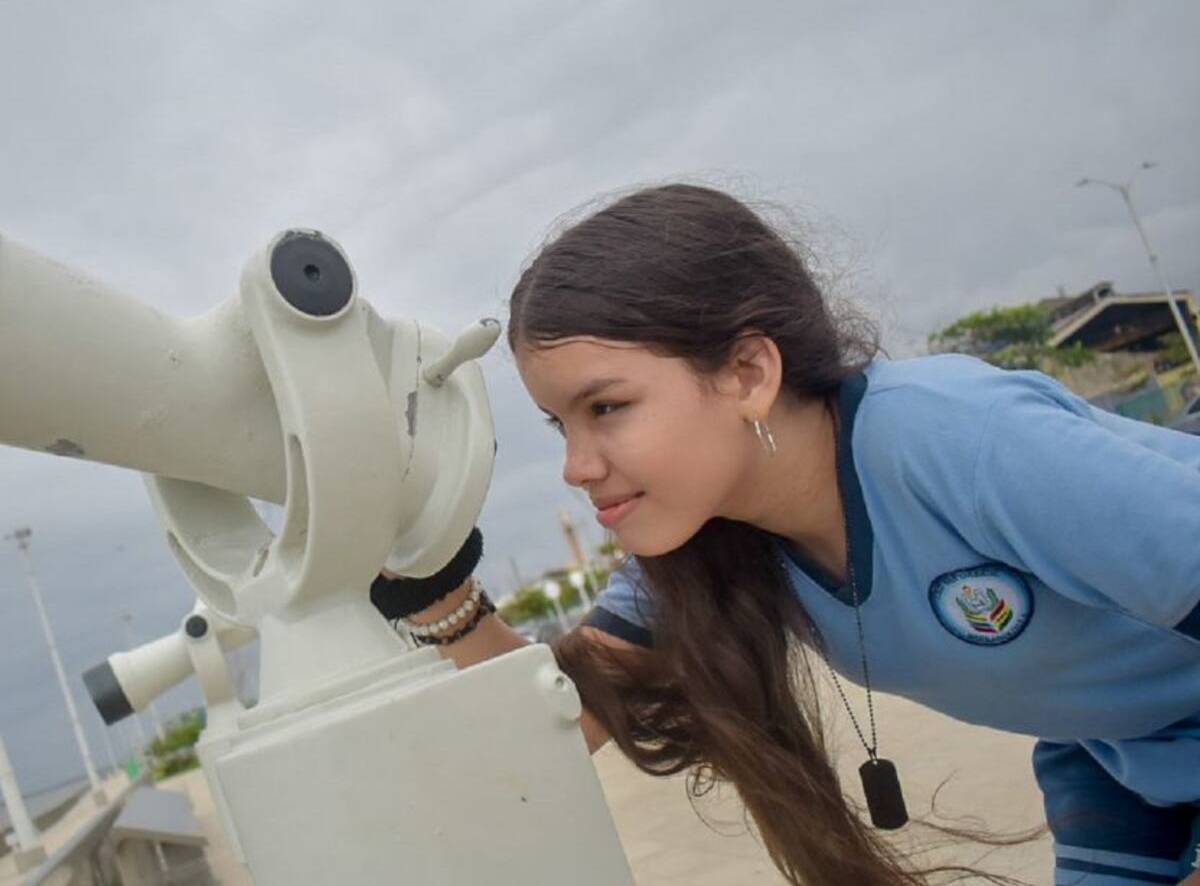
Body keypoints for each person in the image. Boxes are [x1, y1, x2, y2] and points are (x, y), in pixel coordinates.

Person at [374, 184, 1200, 886]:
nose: (577, 466)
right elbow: (563, 726)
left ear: (748, 372)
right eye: (560, 426)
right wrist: (427, 575)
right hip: (1124, 767)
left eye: (607, 408)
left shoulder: (951, 439)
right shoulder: (707, 545)